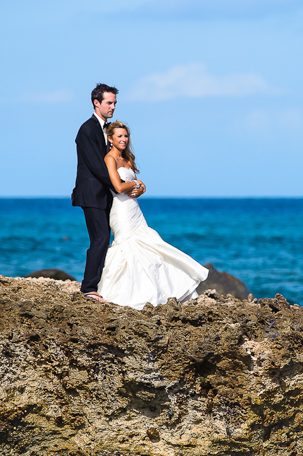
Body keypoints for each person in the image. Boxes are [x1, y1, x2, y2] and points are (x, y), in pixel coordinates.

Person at [97, 121, 208, 309]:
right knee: (128, 247)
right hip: (121, 210)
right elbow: (118, 187)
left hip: (134, 208)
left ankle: (157, 291)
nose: (124, 139)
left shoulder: (128, 158)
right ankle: (123, 292)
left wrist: (141, 187)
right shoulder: (110, 158)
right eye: (119, 136)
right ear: (110, 139)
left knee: (149, 249)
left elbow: (134, 184)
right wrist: (136, 184)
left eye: (126, 136)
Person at [71, 83, 145, 303]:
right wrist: (123, 186)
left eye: (114, 103)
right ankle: (88, 288)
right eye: (109, 103)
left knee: (106, 239)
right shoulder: (87, 129)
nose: (113, 107)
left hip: (106, 195)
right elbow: (97, 166)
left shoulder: (108, 129)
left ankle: (102, 284)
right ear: (96, 103)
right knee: (100, 238)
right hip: (91, 193)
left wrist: (132, 184)